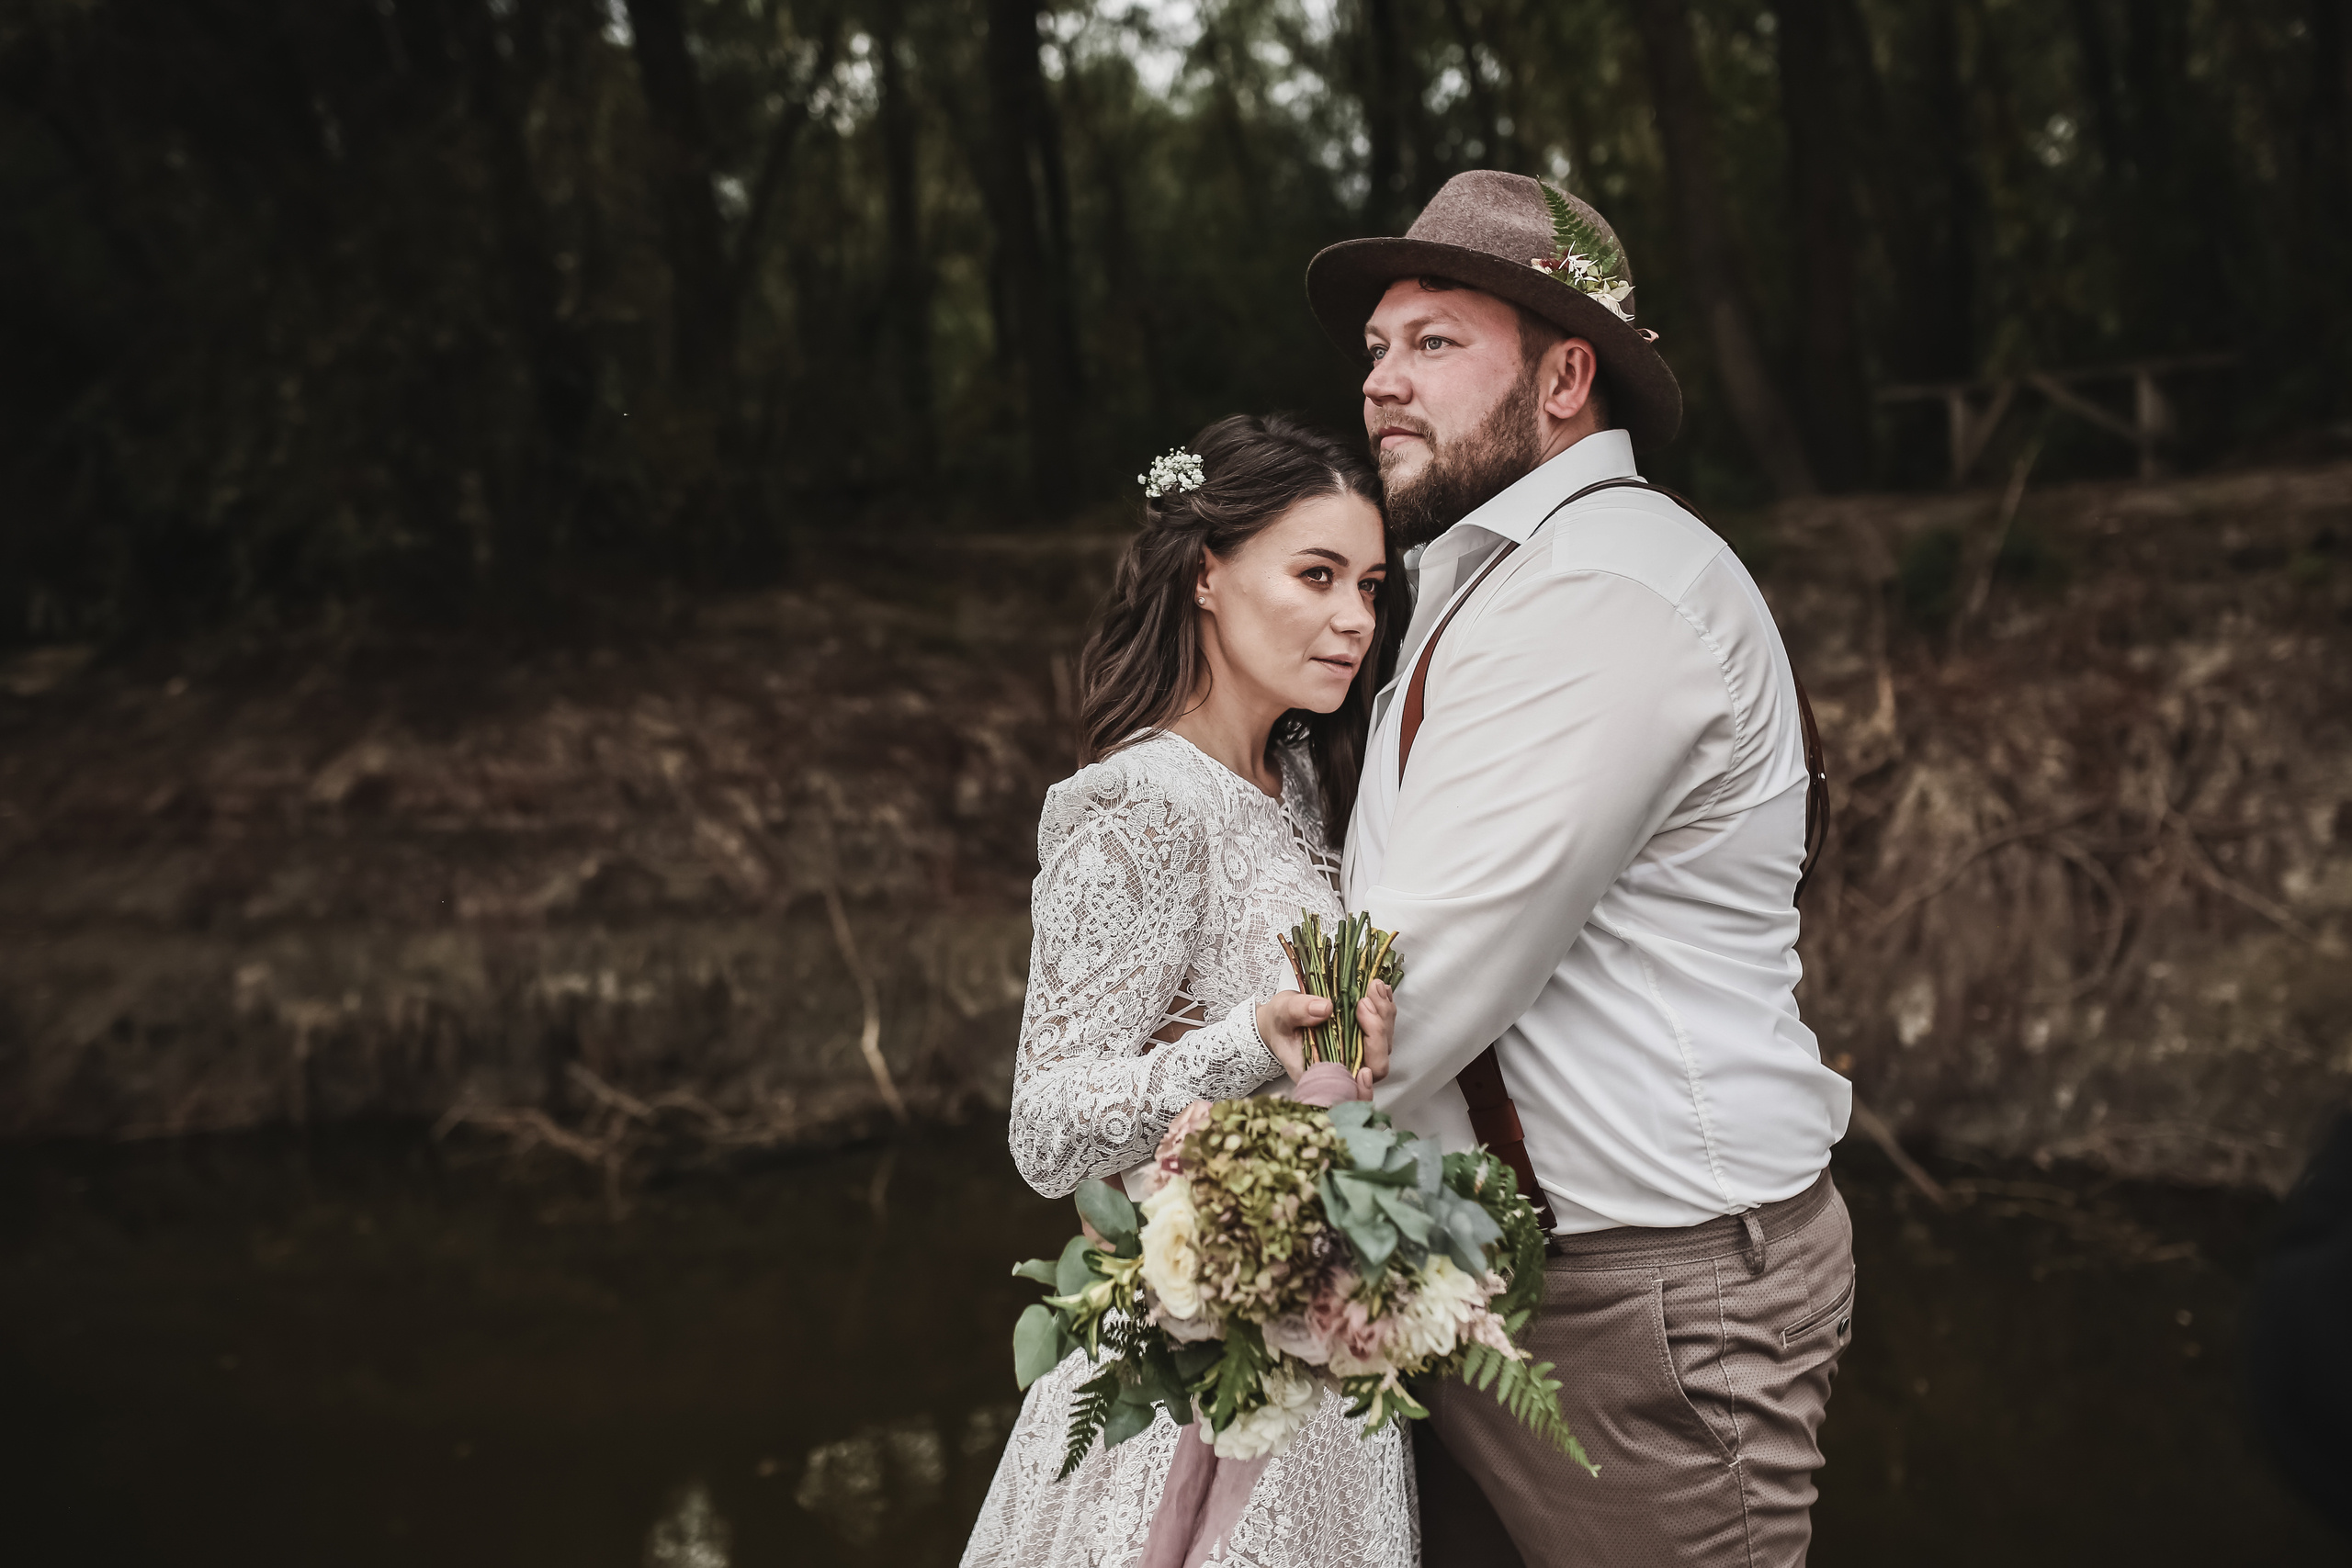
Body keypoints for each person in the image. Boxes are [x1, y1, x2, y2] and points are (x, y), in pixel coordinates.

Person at [1306, 169, 1856, 1567]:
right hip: (1481, 1265)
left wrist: (1182, 1136)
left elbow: (1412, 985)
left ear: (1565, 378)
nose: (1381, 381)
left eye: (1434, 342)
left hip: (1648, 1303)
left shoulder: (1608, 585)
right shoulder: (1487, 574)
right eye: (1376, 346)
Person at [965, 413, 1417, 1568]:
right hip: (1177, 1385)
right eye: (1316, 575)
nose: (1355, 619)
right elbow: (1044, 1131)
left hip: (1319, 1371)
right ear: (1206, 574)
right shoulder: (1141, 806)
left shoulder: (1311, 783)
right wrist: (1249, 1041)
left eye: (1369, 586)